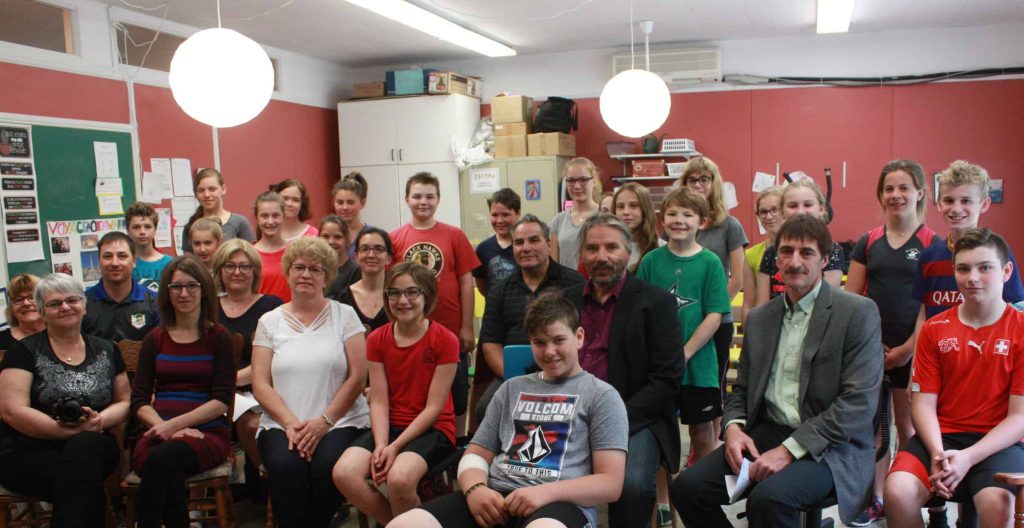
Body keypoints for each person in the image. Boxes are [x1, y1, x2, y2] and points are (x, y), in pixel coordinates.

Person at [671, 214, 883, 527]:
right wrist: (733, 430)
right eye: (786, 251)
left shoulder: (856, 313)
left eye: (806, 253)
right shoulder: (760, 318)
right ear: (776, 258)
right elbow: (741, 390)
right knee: (688, 488)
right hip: (769, 432)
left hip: (831, 446)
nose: (794, 262)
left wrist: (788, 451)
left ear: (825, 259)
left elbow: (858, 405)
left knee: (769, 499)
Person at [388, 292, 629, 528]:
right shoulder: (511, 388)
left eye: (559, 340)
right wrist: (475, 489)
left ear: (579, 337)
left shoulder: (601, 395)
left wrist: (543, 493)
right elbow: (476, 454)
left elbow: (610, 483)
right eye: (539, 342)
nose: (549, 351)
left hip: (560, 503)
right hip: (495, 496)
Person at [907, 160, 1024, 528]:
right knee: (918, 454)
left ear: (983, 204)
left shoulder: (999, 254)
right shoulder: (930, 255)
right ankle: (939, 511)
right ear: (937, 203)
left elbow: (1014, 308)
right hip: (940, 358)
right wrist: (914, 363)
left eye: (966, 201)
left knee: (987, 498)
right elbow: (924, 314)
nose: (956, 208)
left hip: (990, 370)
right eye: (949, 200)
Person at [562, 213, 685, 528]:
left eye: (611, 247)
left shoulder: (656, 303)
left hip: (636, 417)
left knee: (631, 486)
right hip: (570, 413)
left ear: (628, 253)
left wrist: (612, 420)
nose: (601, 257)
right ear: (582, 255)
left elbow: (667, 379)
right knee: (536, 473)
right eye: (592, 248)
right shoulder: (566, 302)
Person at [843, 160, 940, 526]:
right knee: (875, 429)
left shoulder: (932, 244)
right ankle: (878, 497)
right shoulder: (869, 242)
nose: (896, 195)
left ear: (919, 193)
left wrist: (905, 351)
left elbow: (933, 307)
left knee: (909, 426)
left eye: (903, 188)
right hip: (871, 351)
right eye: (889, 189)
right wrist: (870, 347)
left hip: (914, 351)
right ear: (880, 195)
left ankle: (911, 496)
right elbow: (852, 299)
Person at [252, 237, 370, 528]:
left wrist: (324, 422)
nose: (306, 274)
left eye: (315, 269)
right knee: (285, 466)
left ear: (326, 277)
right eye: (299, 267)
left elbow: (358, 377)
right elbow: (260, 384)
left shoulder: (345, 316)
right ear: (288, 273)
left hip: (340, 421)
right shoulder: (269, 321)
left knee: (326, 466)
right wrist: (291, 423)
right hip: (282, 423)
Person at [333, 262, 460, 524]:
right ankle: (397, 523)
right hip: (388, 426)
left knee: (399, 479)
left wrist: (395, 447)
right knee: (344, 473)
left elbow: (433, 408)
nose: (403, 301)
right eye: (394, 293)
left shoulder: (445, 340)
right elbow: (379, 400)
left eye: (412, 292)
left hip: (432, 428)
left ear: (427, 295)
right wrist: (382, 445)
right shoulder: (377, 338)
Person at [0, 273, 130, 527]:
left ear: (84, 305)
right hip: (29, 450)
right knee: (82, 482)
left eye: (72, 300)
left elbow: (124, 401)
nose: (65, 307)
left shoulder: (107, 349)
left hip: (94, 443)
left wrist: (97, 421)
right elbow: (12, 411)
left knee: (85, 449)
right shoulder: (22, 351)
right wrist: (67, 431)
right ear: (42, 311)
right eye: (55, 303)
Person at [129, 256, 236, 528]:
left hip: (207, 434)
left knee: (162, 460)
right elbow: (139, 400)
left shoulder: (219, 338)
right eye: (176, 286)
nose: (184, 293)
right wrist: (166, 429)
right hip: (156, 432)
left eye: (191, 285)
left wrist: (175, 426)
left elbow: (221, 401)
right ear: (167, 292)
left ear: (204, 290)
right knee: (167, 464)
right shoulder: (154, 339)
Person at [473, 214, 585, 426]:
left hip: (565, 372)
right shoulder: (499, 291)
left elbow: (585, 336)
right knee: (486, 409)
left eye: (534, 240)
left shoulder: (575, 283)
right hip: (513, 376)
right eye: (519, 242)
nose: (526, 248)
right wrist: (514, 379)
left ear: (549, 244)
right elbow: (490, 344)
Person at [390, 172, 478, 425]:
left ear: (438, 199)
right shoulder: (395, 238)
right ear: (406, 199)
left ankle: (456, 441)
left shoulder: (454, 235)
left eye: (430, 196)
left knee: (457, 394)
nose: (423, 202)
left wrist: (467, 326)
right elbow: (390, 287)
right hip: (411, 332)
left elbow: (466, 283)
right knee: (417, 394)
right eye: (417, 196)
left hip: (450, 330)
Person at [211, 239, 284, 491]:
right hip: (214, 392)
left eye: (245, 266)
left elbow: (274, 360)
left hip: (259, 389)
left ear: (255, 270)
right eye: (230, 266)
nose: (237, 272)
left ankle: (273, 489)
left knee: (252, 425)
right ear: (220, 270)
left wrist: (229, 382)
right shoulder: (207, 308)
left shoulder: (272, 307)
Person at [756, 178, 845, 306]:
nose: (800, 211)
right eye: (792, 206)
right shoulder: (771, 252)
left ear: (821, 209)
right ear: (782, 212)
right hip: (778, 316)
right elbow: (762, 304)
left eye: (808, 205)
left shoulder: (832, 250)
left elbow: (827, 302)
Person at [82, 231, 160, 341]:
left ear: (134, 261)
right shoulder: (82, 304)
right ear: (99, 261)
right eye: (107, 256)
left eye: (122, 256)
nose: (115, 263)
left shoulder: (154, 302)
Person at [181, 168, 256, 254]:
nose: (206, 195)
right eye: (201, 190)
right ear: (195, 193)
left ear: (223, 189)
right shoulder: (191, 226)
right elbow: (188, 260)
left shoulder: (239, 222)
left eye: (212, 189)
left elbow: (251, 257)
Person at [336, 228, 393, 333]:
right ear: (356, 257)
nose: (371, 255)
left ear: (389, 258)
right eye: (365, 249)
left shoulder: (398, 296)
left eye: (378, 249)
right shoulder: (342, 299)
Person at [550, 157, 601, 269]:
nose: (577, 186)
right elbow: (554, 266)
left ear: (594, 182)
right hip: (566, 280)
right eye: (571, 180)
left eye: (583, 180)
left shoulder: (604, 216)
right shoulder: (558, 222)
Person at [741, 186, 783, 322]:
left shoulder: (802, 250)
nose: (769, 216)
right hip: (766, 323)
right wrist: (749, 333)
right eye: (763, 212)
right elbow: (748, 305)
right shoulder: (751, 254)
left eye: (774, 209)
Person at [473, 188, 521, 296]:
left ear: (518, 213)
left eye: (505, 215)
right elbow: (483, 287)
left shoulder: (526, 247)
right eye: (494, 215)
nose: (499, 221)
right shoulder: (483, 249)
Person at [613, 182, 663, 272]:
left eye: (634, 205)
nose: (626, 212)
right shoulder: (605, 247)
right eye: (620, 206)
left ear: (645, 209)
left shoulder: (662, 247)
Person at [252, 191, 292, 302]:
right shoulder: (250, 255)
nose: (270, 221)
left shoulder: (294, 252)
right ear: (257, 218)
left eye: (275, 215)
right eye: (264, 216)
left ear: (284, 216)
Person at [126, 202, 172, 293]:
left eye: (147, 227)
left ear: (155, 229)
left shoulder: (170, 264)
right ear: (128, 230)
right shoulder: (123, 263)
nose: (142, 232)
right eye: (136, 227)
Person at [320, 214, 361, 301]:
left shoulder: (355, 271)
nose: (331, 242)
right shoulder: (313, 268)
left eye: (337, 237)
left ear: (347, 240)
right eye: (325, 236)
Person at [0, 273, 45, 348]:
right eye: (18, 299)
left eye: (32, 297)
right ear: (11, 307)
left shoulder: (61, 334)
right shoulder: (1, 340)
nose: (26, 303)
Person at [333, 171, 371, 258]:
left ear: (362, 203)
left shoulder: (372, 235)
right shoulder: (328, 235)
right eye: (340, 202)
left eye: (350, 202)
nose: (345, 207)